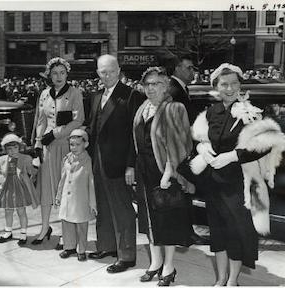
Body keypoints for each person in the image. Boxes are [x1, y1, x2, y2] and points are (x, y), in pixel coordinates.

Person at [186, 63, 285, 286]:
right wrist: (201, 148)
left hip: (238, 183)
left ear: (240, 85)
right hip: (214, 183)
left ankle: (232, 281)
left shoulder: (252, 111)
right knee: (218, 232)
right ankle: (220, 279)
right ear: (216, 87)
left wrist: (233, 156)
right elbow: (200, 138)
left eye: (234, 84)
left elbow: (265, 144)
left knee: (236, 233)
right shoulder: (211, 112)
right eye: (224, 84)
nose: (229, 88)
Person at [132, 66, 194, 286]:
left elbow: (183, 143)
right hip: (144, 170)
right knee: (149, 219)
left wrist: (169, 171)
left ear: (166, 85)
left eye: (156, 83)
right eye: (147, 84)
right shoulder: (142, 109)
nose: (151, 88)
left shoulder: (175, 108)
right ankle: (155, 263)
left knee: (167, 221)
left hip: (165, 173)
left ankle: (169, 266)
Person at [86, 54, 144, 273]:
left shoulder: (131, 96)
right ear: (97, 73)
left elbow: (134, 134)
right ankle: (107, 246)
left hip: (120, 162)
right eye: (102, 71)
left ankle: (127, 255)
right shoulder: (95, 96)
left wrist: (131, 165)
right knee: (103, 205)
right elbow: (93, 128)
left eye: (111, 71)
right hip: (98, 159)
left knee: (122, 209)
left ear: (119, 70)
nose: (107, 75)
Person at [32, 57, 85, 248]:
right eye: (55, 73)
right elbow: (41, 121)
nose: (59, 76)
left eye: (62, 72)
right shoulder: (45, 94)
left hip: (66, 147)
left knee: (65, 189)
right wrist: (39, 142)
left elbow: (78, 121)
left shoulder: (75, 93)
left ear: (67, 73)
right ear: (50, 75)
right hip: (47, 148)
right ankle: (44, 228)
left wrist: (54, 133)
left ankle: (66, 234)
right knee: (46, 189)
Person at [168, 54, 210, 245]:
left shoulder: (181, 89)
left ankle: (184, 231)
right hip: (179, 151)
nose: (193, 71)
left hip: (184, 149)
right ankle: (184, 233)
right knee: (182, 191)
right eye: (189, 68)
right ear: (178, 68)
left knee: (185, 192)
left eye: (193, 68)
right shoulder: (174, 91)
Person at [55, 129, 97, 261]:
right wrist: (58, 194)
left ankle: (81, 249)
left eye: (78, 144)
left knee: (81, 225)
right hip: (67, 199)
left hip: (81, 199)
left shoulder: (87, 160)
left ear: (85, 144)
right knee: (66, 222)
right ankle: (69, 247)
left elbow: (91, 182)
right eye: (72, 144)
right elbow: (62, 178)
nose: (74, 148)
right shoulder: (67, 159)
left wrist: (92, 202)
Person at [0, 133, 39, 246]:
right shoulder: (2, 159)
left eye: (15, 148)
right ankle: (8, 232)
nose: (13, 151)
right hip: (7, 187)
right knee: (8, 211)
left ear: (20, 147)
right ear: (5, 149)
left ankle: (23, 233)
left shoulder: (25, 158)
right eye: (9, 149)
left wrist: (36, 165)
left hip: (20, 187)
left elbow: (32, 172)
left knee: (21, 211)